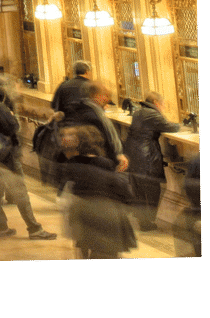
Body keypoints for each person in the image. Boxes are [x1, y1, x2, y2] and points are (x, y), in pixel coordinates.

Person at [0, 75, 56, 239]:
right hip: (6, 156)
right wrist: (10, 115)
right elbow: (13, 127)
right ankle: (34, 229)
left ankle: (1, 227)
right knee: (21, 193)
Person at [60, 124, 137, 259]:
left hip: (81, 212)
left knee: (86, 246)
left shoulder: (72, 163)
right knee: (106, 252)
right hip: (105, 213)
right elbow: (119, 190)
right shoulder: (104, 163)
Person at [123, 90, 179, 230]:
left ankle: (143, 220)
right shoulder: (152, 114)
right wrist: (180, 125)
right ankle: (148, 221)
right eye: (163, 104)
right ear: (156, 103)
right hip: (146, 157)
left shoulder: (139, 112)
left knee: (139, 190)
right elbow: (170, 127)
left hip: (133, 154)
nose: (163, 106)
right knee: (153, 190)